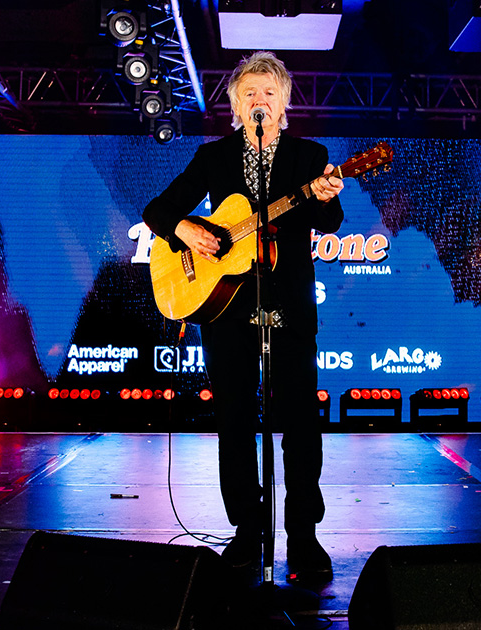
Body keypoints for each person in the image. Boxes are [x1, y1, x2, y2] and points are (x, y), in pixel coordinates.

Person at [142, 51, 344, 584]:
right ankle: (247, 530)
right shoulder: (214, 157)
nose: (259, 100)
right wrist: (186, 230)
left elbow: (327, 221)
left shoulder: (309, 155)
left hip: (290, 306)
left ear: (284, 104)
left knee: (300, 422)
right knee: (234, 421)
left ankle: (303, 534)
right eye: (249, 93)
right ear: (235, 105)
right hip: (226, 309)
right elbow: (158, 211)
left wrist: (326, 197)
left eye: (269, 93)